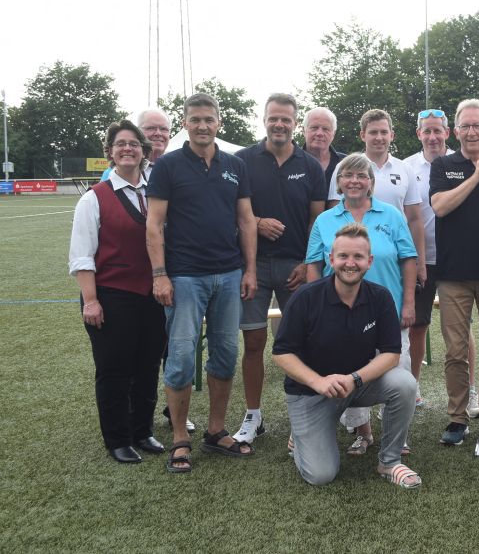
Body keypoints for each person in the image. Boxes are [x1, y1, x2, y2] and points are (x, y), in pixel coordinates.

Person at [146, 93, 258, 473]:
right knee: (180, 360)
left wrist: (250, 270)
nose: (202, 125)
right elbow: (154, 224)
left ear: (219, 122)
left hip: (228, 275)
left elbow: (246, 220)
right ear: (185, 123)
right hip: (184, 277)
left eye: (209, 119)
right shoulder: (168, 166)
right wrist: (160, 274)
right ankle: (180, 438)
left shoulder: (235, 165)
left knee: (225, 355)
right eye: (195, 119)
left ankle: (215, 431)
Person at [273, 223, 420, 488]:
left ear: (369, 261)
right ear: (331, 259)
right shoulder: (306, 297)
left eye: (358, 257)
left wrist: (355, 379)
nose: (349, 263)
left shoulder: (380, 297)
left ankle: (389, 462)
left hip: (356, 384)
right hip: (312, 392)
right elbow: (282, 354)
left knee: (405, 383)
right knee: (321, 475)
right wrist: (319, 382)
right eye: (343, 256)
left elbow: (391, 354)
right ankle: (301, 434)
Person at [231, 94, 327, 444]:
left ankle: (305, 416)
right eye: (274, 118)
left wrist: (307, 262)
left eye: (286, 119)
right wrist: (255, 222)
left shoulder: (311, 166)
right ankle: (253, 416)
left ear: (295, 123)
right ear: (264, 119)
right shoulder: (241, 160)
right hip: (253, 266)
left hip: (296, 267)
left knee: (302, 343)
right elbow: (231, 211)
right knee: (254, 341)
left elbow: (318, 220)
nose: (280, 124)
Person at [70, 120, 167, 463]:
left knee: (147, 365)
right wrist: (91, 300)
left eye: (134, 144)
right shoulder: (94, 199)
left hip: (150, 296)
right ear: (109, 152)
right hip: (110, 295)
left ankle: (142, 431)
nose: (127, 149)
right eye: (120, 144)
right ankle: (117, 438)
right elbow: (82, 255)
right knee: (114, 369)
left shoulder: (154, 193)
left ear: (144, 151)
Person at [306, 153, 417, 454]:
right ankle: (363, 432)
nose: (354, 181)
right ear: (339, 183)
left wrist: (408, 302)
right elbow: (314, 264)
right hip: (341, 314)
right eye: (347, 176)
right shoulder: (325, 220)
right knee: (348, 368)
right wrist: (315, 305)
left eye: (361, 176)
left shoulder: (392, 216)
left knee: (399, 371)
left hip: (389, 310)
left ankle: (396, 435)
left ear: (371, 183)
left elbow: (408, 260)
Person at [402, 108, 479, 414]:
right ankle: (411, 390)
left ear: (449, 133)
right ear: (418, 134)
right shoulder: (407, 167)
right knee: (417, 326)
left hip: (454, 260)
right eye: (427, 131)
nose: (432, 137)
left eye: (438, 131)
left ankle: (471, 392)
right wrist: (417, 260)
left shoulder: (460, 161)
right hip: (419, 260)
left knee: (462, 332)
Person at [430, 98, 479, 445]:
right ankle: (457, 419)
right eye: (465, 126)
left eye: (477, 125)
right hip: (453, 274)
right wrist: (476, 175)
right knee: (455, 351)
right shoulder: (443, 165)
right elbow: (440, 207)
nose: (471, 132)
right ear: (456, 131)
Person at [328, 109, 426, 284]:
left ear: (392, 135)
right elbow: (334, 213)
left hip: (390, 259)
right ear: (362, 135)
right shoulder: (344, 168)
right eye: (373, 132)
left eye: (384, 132)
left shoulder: (405, 169)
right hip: (351, 259)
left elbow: (415, 219)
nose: (379, 137)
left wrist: (419, 262)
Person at [99, 108, 171, 181]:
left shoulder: (177, 166)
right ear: (137, 131)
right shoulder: (113, 174)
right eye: (151, 128)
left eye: (164, 129)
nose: (158, 133)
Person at [302, 106, 345, 192]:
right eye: (314, 128)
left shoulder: (345, 163)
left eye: (325, 129)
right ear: (304, 131)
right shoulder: (291, 163)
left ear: (333, 134)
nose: (319, 133)